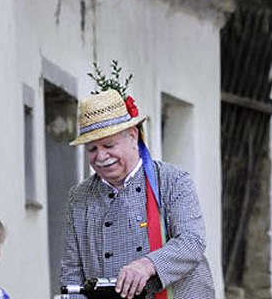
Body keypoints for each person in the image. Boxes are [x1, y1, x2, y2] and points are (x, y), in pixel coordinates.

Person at [63, 88, 216, 299]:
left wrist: (147, 265)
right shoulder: (79, 197)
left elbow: (192, 242)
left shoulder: (173, 181)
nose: (101, 156)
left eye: (109, 145)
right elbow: (72, 272)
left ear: (133, 137)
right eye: (92, 149)